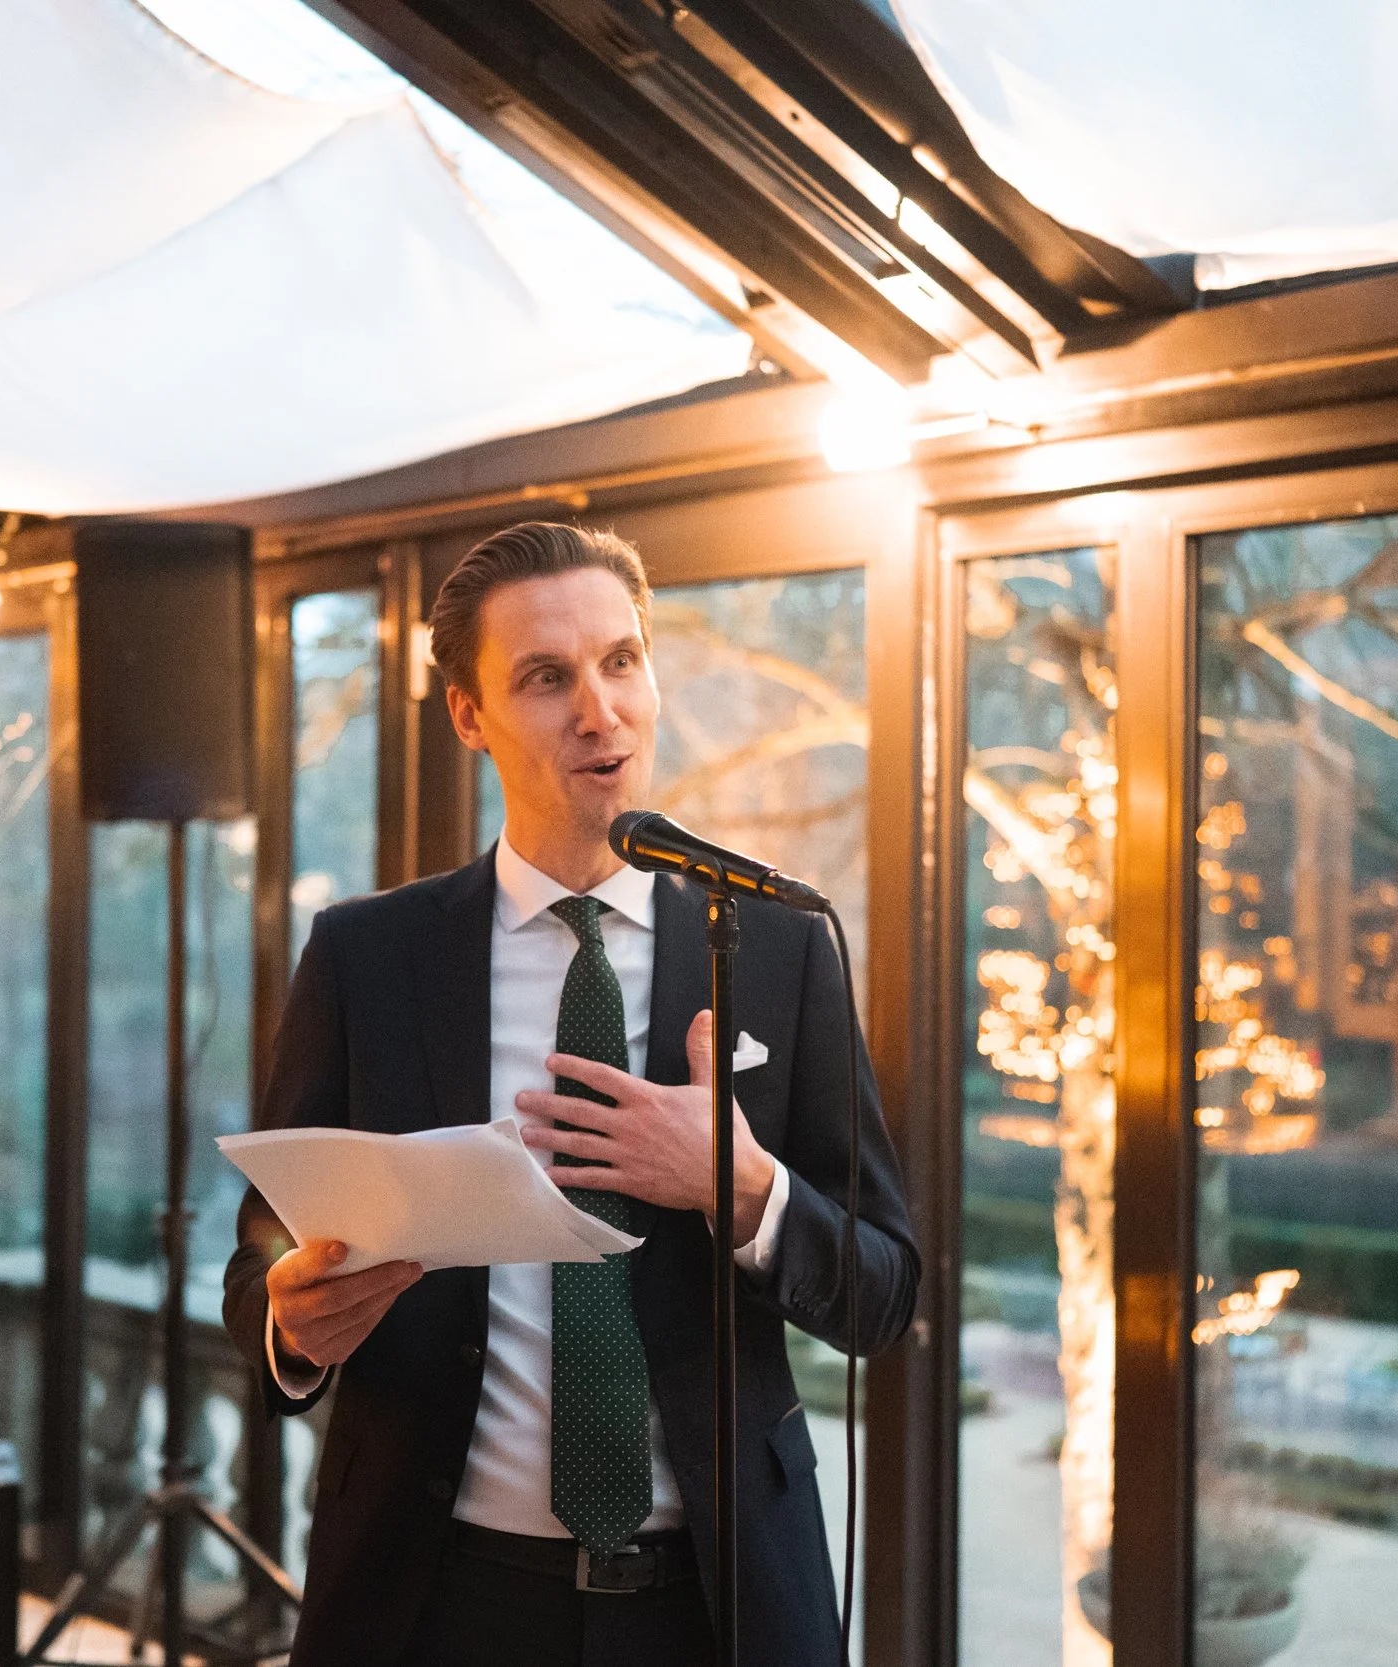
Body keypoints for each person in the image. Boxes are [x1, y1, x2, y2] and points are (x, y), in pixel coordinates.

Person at [223, 522, 919, 1667]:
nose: (598, 709)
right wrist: (289, 1326)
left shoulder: (782, 945)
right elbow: (260, 1263)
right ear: (467, 715)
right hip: (435, 1594)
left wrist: (743, 1192)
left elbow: (884, 1293)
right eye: (546, 678)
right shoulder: (365, 955)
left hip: (716, 1601)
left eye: (621, 660)